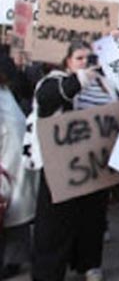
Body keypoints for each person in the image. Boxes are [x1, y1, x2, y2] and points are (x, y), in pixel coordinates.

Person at [30, 41, 119, 281]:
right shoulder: (54, 81)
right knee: (55, 224)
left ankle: (89, 263)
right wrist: (79, 79)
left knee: (92, 219)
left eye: (88, 58)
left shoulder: (104, 84)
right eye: (79, 58)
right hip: (60, 166)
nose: (84, 63)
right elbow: (48, 100)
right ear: (67, 61)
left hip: (93, 165)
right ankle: (48, 272)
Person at [0, 65, 37, 278]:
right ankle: (15, 258)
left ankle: (13, 260)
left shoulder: (5, 93)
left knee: (13, 214)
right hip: (11, 161)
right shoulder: (6, 92)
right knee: (15, 215)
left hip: (11, 162)